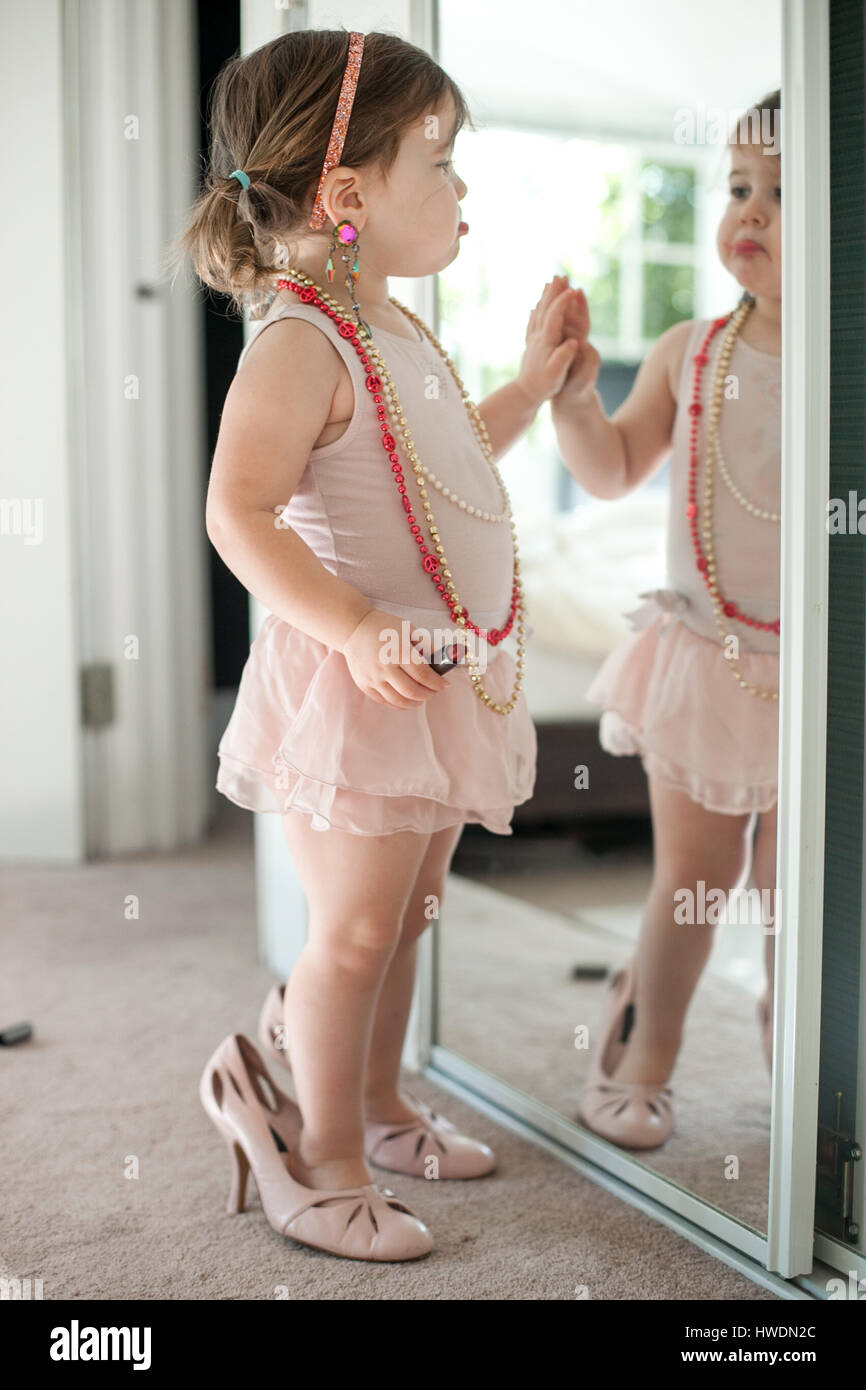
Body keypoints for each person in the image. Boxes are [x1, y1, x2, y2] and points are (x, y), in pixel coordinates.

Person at [174, 28, 579, 1259]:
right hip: (355, 688)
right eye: (441, 161)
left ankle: (381, 1102)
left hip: (438, 681)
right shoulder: (300, 338)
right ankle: (319, 1152)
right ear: (346, 197)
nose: (461, 190)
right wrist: (351, 629)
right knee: (352, 929)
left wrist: (533, 382)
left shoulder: (400, 331)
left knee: (406, 920)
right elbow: (235, 512)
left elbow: (434, 473)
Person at [549, 91, 782, 1150]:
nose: (752, 211)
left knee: (802, 902)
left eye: (784, 194)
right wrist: (569, 402)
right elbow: (609, 471)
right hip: (704, 661)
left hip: (818, 673)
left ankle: (806, 1070)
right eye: (739, 188)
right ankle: (643, 1051)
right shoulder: (691, 352)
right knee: (691, 880)